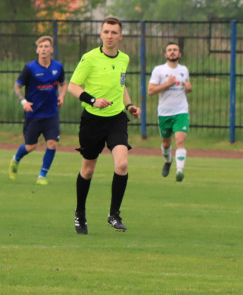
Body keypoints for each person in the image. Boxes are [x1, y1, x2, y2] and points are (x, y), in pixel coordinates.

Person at [66, 17, 141, 235]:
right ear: (101, 34)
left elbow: (121, 85)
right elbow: (72, 86)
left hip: (116, 119)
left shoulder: (124, 59)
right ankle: (80, 213)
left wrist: (130, 105)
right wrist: (93, 100)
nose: (109, 36)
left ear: (120, 36)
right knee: (88, 170)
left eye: (114, 32)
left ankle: (114, 215)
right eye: (106, 31)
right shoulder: (89, 58)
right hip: (92, 121)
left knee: (122, 164)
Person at [9, 35, 66, 185]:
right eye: (41, 47)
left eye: (46, 46)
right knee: (31, 146)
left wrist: (61, 96)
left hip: (51, 114)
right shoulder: (30, 68)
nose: (43, 49)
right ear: (37, 50)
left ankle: (42, 175)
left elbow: (63, 84)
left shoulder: (58, 67)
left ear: (51, 50)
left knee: (52, 143)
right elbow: (17, 86)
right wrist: (23, 101)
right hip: (33, 114)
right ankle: (15, 160)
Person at [148, 43, 191, 182]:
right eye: (169, 50)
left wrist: (188, 88)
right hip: (164, 113)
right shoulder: (159, 70)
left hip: (181, 111)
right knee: (166, 144)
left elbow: (186, 87)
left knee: (180, 140)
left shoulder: (184, 70)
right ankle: (168, 160)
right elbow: (150, 91)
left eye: (175, 50)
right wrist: (167, 84)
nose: (172, 52)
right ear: (166, 54)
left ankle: (179, 171)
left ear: (179, 54)